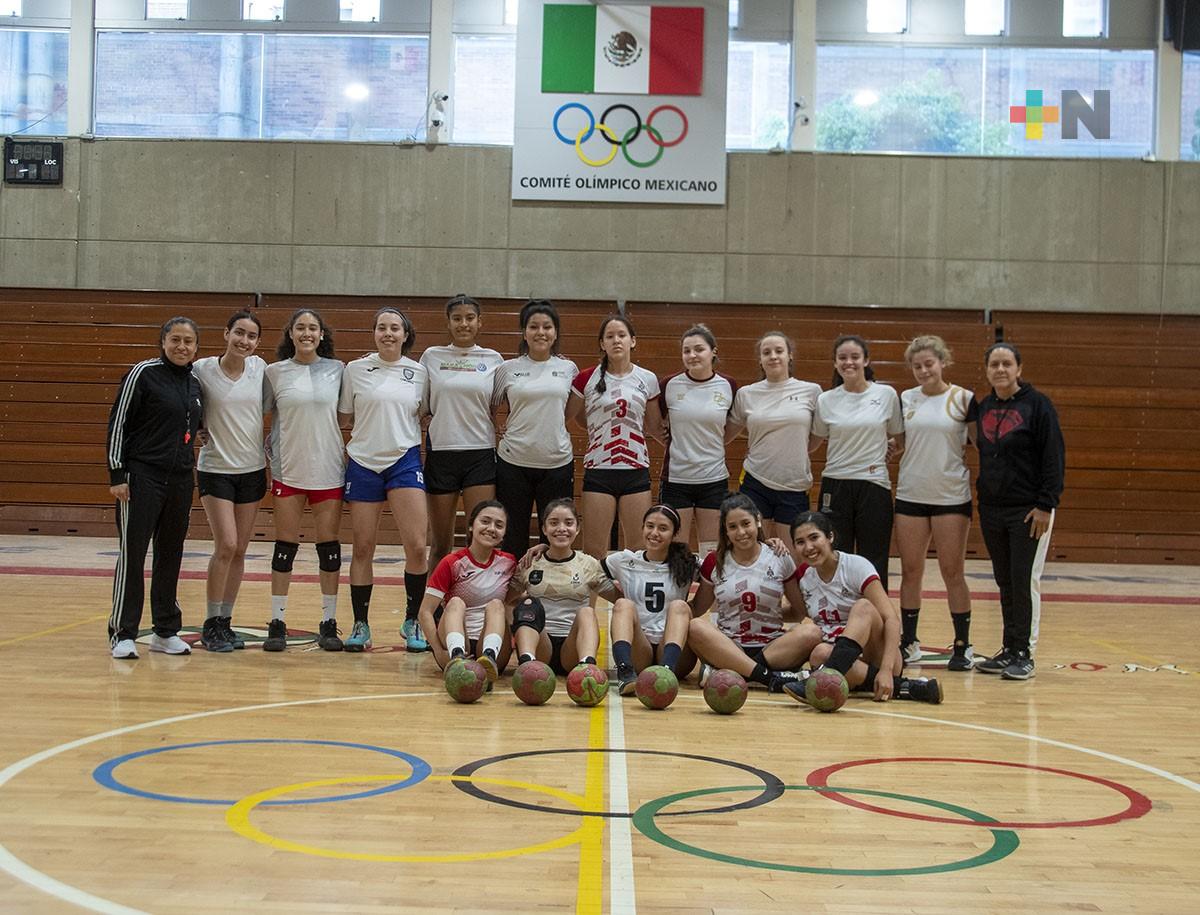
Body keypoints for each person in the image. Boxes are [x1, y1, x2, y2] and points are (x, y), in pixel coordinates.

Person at [106, 316, 203, 659]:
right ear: (163, 342)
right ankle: (122, 632)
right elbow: (118, 423)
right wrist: (117, 474)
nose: (181, 346)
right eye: (175, 339)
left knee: (170, 554)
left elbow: (193, 425)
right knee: (133, 554)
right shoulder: (142, 373)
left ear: (196, 347)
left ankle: (165, 630)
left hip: (179, 479)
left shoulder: (194, 381)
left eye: (188, 341)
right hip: (140, 478)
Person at [338, 307, 429, 652]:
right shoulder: (355, 370)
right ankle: (361, 624)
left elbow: (424, 413)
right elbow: (344, 417)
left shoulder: (419, 372)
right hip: (362, 461)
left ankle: (412, 620)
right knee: (362, 547)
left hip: (404, 460)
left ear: (405, 335)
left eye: (395, 328)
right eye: (382, 328)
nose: (388, 333)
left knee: (417, 547)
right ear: (374, 333)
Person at [973, 342, 1065, 681]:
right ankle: (1009, 648)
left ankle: (1025, 652)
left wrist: (1045, 504)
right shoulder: (984, 406)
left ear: (1019, 369)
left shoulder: (1039, 406)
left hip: (1029, 511)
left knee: (1024, 580)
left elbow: (1053, 457)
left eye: (1006, 363)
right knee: (1004, 580)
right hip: (993, 510)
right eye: (994, 364)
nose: (1000, 369)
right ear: (986, 370)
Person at [783, 511, 942, 705]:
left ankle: (823, 678)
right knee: (819, 652)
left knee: (864, 606)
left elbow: (891, 619)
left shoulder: (856, 566)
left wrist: (885, 669)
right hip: (844, 661)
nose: (808, 547)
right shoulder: (804, 577)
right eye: (800, 542)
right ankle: (908, 687)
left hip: (879, 654)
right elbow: (798, 613)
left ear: (830, 536)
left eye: (814, 537)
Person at [262, 308, 345, 653]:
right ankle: (277, 621)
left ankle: (328, 622)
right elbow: (258, 415)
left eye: (313, 328)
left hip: (328, 468)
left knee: (329, 549)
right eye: (301, 327)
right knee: (285, 547)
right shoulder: (274, 373)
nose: (307, 333)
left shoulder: (339, 370)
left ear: (322, 334)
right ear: (291, 334)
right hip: (289, 469)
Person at [895, 335, 977, 670]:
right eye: (917, 366)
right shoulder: (905, 399)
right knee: (911, 571)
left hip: (951, 497)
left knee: (952, 571)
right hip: (911, 494)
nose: (923, 370)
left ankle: (962, 645)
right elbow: (901, 441)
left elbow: (979, 442)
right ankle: (909, 642)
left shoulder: (963, 398)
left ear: (943, 362)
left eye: (929, 363)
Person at [192, 310, 267, 653]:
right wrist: (193, 429)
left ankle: (225, 621)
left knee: (240, 550)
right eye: (239, 333)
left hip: (252, 470)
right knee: (226, 544)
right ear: (226, 333)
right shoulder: (202, 369)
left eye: (251, 336)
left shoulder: (261, 370)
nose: (244, 341)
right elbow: (184, 401)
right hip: (216, 468)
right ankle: (210, 622)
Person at [419, 294, 504, 596]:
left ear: (480, 322)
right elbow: (423, 407)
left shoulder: (494, 360)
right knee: (440, 543)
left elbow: (495, 407)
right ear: (449, 322)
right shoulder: (431, 356)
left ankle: (475, 606)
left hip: (480, 455)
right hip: (442, 454)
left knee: (480, 541)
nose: (463, 323)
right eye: (457, 318)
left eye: (470, 318)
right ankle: (430, 610)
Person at [687, 494, 814, 692]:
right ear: (725, 531)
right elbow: (697, 608)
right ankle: (771, 678)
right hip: (730, 646)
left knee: (812, 632)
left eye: (746, 523)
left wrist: (769, 612)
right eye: (733, 527)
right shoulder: (715, 561)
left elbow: (799, 612)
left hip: (773, 647)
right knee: (695, 627)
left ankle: (739, 672)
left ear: (758, 521)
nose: (741, 532)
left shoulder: (779, 556)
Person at [811, 334, 904, 591]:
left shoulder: (886, 394)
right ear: (835, 363)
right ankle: (838, 620)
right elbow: (812, 442)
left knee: (873, 558)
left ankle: (876, 622)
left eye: (855, 357)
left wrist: (893, 448)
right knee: (835, 555)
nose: (848, 362)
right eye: (842, 358)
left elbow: (901, 436)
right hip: (836, 485)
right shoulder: (826, 399)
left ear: (866, 360)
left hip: (873, 486)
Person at [568, 314, 664, 558]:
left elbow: (653, 426)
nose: (616, 340)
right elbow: (573, 417)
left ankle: (629, 598)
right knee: (593, 552)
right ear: (602, 344)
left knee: (638, 550)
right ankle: (591, 598)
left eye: (621, 335)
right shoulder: (585, 378)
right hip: (599, 469)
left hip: (635, 469)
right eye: (609, 336)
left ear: (633, 341)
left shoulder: (647, 379)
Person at [492, 300, 579, 558]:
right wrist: (499, 428)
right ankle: (511, 595)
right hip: (513, 463)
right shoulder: (507, 369)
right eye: (534, 326)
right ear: (524, 332)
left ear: (555, 333)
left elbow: (568, 412)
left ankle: (550, 595)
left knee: (554, 536)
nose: (541, 332)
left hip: (557, 464)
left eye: (547, 327)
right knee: (512, 536)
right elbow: (491, 407)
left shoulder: (568, 369)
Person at [727, 331, 822, 542]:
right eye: (766, 352)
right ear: (760, 360)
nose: (773, 356)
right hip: (755, 482)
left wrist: (795, 450)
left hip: (794, 485)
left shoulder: (812, 391)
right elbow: (724, 434)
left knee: (792, 556)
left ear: (790, 356)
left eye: (779, 351)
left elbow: (817, 435)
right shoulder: (746, 394)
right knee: (753, 551)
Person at [657, 325, 737, 557]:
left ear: (713, 351)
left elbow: (731, 426)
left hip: (713, 479)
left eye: (699, 349)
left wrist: (715, 444)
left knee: (712, 552)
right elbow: (653, 422)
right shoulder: (669, 385)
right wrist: (670, 442)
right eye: (686, 351)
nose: (692, 355)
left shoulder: (728, 385)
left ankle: (709, 594)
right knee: (676, 550)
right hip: (676, 479)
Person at [511, 499, 614, 675]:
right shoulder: (530, 563)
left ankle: (586, 666)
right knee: (529, 603)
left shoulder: (589, 564)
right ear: (544, 529)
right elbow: (506, 599)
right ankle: (527, 664)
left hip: (572, 648)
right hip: (541, 646)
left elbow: (620, 599)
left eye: (568, 523)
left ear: (578, 528)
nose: (561, 528)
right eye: (553, 523)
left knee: (587, 612)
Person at [418, 500, 517, 682]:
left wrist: (541, 547)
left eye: (499, 525)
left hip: (493, 645)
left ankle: (489, 657)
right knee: (455, 602)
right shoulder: (452, 563)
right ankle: (457, 656)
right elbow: (425, 612)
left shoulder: (509, 563)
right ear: (471, 526)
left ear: (504, 534)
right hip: (454, 638)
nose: (491, 528)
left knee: (496, 604)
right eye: (485, 521)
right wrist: (438, 651)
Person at [607, 504, 700, 695]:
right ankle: (625, 672)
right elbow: (587, 570)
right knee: (623, 604)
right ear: (642, 528)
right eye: (650, 526)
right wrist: (544, 549)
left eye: (663, 528)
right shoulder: (624, 560)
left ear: (674, 534)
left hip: (677, 651)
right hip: (641, 649)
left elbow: (725, 566)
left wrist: (768, 545)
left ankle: (666, 672)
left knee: (679, 606)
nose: (654, 533)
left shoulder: (688, 562)